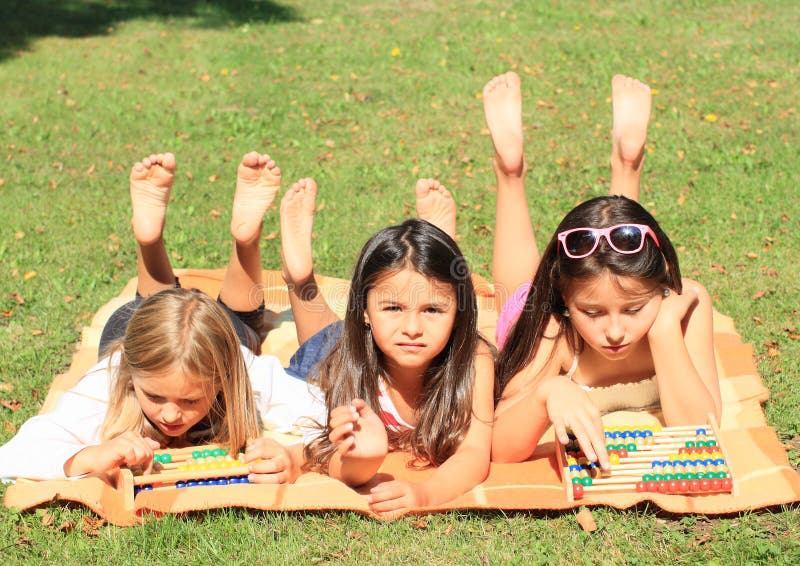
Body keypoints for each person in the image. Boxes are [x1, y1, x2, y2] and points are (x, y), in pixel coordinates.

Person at [0, 152, 325, 482]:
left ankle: (246, 239)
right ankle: (150, 241)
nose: (171, 414)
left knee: (237, 324)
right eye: (154, 396)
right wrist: (90, 457)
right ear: (130, 372)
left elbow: (331, 417)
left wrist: (295, 457)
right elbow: (13, 456)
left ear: (224, 375)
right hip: (127, 328)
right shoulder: (109, 381)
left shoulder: (245, 372)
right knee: (158, 310)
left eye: (190, 399)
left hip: (213, 336)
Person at [482, 72, 720, 467]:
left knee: (618, 247)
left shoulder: (685, 307)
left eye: (633, 311)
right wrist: (549, 392)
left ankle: (628, 164)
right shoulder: (553, 328)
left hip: (624, 289)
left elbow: (705, 432)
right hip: (533, 312)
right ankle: (510, 173)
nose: (613, 331)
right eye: (591, 313)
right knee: (519, 293)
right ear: (565, 299)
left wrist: (663, 334)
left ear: (661, 287)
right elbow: (501, 450)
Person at [278, 176, 494, 518]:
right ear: (364, 308)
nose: (412, 329)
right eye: (393, 308)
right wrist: (353, 458)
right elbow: (329, 454)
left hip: (376, 335)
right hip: (355, 346)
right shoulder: (350, 362)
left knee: (375, 318)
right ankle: (300, 279)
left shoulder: (475, 360)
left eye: (433, 310)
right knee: (321, 343)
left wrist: (426, 494)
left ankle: (437, 254)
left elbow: (475, 452)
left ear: (459, 311)